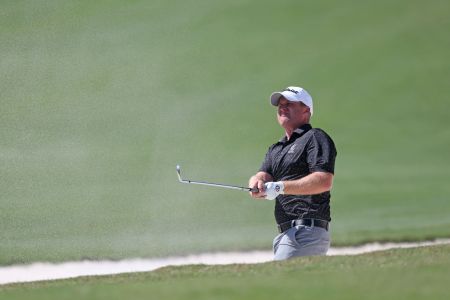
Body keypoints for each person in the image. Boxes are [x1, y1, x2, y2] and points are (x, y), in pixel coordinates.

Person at [248, 86, 337, 261]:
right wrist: (256, 182)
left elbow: (323, 181)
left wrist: (279, 187)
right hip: (286, 235)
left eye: (289, 103)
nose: (283, 107)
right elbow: (262, 175)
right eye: (280, 104)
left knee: (275, 284)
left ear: (306, 110)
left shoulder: (315, 137)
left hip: (306, 231)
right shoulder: (276, 148)